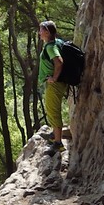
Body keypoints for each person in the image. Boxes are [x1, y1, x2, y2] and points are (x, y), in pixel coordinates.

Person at [38, 20, 69, 155]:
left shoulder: (50, 47)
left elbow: (59, 62)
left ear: (47, 32)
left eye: (41, 30)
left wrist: (54, 78)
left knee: (53, 110)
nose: (39, 33)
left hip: (55, 84)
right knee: (53, 109)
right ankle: (55, 134)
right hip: (61, 82)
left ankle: (58, 143)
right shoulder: (58, 42)